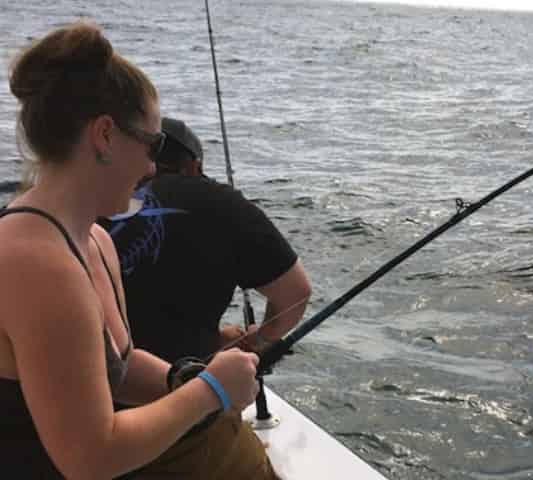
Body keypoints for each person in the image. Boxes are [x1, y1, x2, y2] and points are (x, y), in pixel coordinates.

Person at [0, 22, 260, 479]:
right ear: (104, 135)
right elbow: (91, 458)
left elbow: (120, 361)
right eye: (152, 144)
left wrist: (182, 379)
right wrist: (211, 391)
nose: (152, 165)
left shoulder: (94, 239)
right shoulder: (37, 264)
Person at [99, 117, 312, 479]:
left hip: (79, 415)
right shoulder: (215, 199)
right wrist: (255, 342)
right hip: (179, 429)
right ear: (193, 166)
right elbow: (296, 294)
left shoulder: (83, 208)